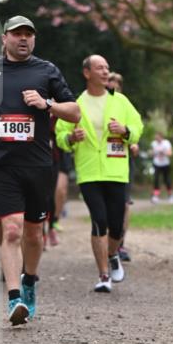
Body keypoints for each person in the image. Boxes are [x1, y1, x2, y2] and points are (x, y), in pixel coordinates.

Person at [0, 15, 80, 325]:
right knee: (12, 228)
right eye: (17, 34)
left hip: (39, 164)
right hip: (1, 163)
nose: (23, 39)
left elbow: (75, 112)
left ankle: (29, 280)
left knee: (33, 233)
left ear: (34, 39)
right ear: (5, 39)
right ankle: (14, 297)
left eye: (28, 34)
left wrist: (47, 105)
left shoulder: (47, 71)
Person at [55, 55, 143, 292]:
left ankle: (113, 253)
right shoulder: (76, 104)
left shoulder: (120, 101)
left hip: (116, 171)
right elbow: (60, 134)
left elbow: (137, 128)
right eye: (99, 68)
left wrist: (126, 131)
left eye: (107, 67)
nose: (105, 72)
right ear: (87, 73)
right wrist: (71, 137)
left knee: (116, 225)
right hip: (89, 171)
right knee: (99, 220)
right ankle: (104, 275)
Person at [108, 71, 135, 262]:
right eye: (111, 81)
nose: (114, 84)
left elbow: (135, 129)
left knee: (124, 205)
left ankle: (120, 244)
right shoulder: (96, 104)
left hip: (123, 161)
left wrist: (132, 139)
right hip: (103, 164)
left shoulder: (125, 105)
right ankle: (107, 244)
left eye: (118, 82)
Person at [151, 132, 173, 203]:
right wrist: (153, 152)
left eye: (158, 137)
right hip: (156, 163)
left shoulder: (166, 143)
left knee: (166, 180)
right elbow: (151, 153)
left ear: (161, 137)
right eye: (156, 137)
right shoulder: (153, 143)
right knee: (156, 179)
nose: (156, 138)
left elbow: (171, 153)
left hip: (165, 164)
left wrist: (163, 152)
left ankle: (171, 195)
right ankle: (155, 196)